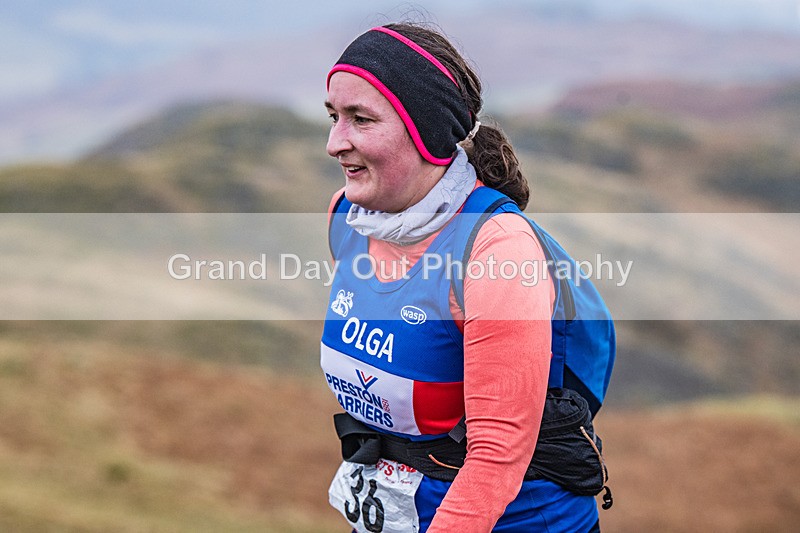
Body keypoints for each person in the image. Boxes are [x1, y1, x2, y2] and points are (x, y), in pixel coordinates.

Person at [320, 22, 601, 532]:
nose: (334, 142)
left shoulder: (497, 249)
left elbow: (496, 457)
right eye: (334, 116)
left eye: (361, 119)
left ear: (426, 132)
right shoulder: (348, 218)